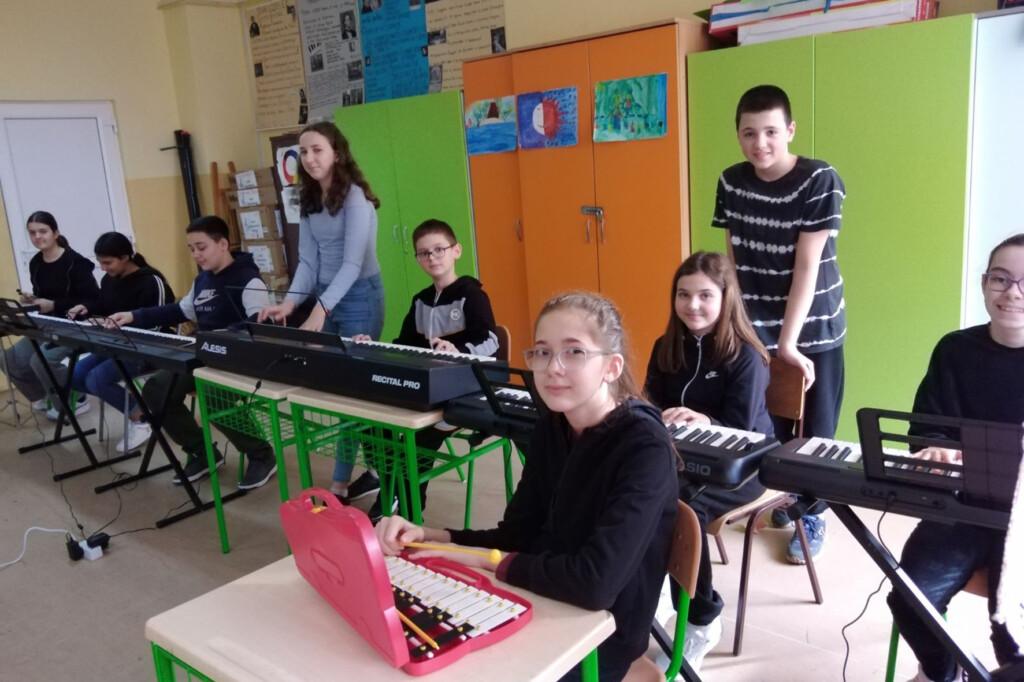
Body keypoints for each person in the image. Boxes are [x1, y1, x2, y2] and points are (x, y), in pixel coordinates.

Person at [376, 291, 678, 682]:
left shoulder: (644, 446)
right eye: (542, 352)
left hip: (600, 633)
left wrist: (489, 561)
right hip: (539, 597)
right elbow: (515, 535)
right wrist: (431, 535)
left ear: (611, 367)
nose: (553, 367)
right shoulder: (554, 424)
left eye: (574, 352)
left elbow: (595, 584)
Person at [712, 84, 847, 564]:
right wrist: (733, 321)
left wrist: (788, 344)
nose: (760, 143)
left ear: (790, 130)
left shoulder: (820, 179)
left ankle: (813, 512)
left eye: (771, 131)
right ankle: (784, 497)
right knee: (770, 421)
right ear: (738, 135)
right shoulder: (731, 181)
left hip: (814, 327)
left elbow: (807, 266)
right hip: (755, 324)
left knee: (816, 429)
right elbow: (732, 257)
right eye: (749, 133)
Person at [887, 233, 1024, 682]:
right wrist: (934, 446)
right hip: (960, 509)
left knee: (1011, 630)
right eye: (1001, 279)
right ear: (984, 283)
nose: (1012, 293)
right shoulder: (955, 350)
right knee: (909, 597)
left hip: (1022, 519)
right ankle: (945, 672)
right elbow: (926, 427)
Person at [644, 251, 772, 672]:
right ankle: (656, 587)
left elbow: (741, 431)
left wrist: (705, 420)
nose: (692, 305)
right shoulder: (666, 347)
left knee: (682, 509)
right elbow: (650, 404)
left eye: (704, 295)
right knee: (631, 488)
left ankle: (701, 619)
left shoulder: (745, 356)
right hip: (681, 459)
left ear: (725, 298)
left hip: (745, 464)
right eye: (683, 295)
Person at [258, 121, 384, 501]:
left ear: (337, 154)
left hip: (360, 297)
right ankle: (373, 469)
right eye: (304, 151)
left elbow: (352, 264)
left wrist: (320, 309)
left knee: (350, 392)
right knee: (337, 388)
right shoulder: (308, 199)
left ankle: (340, 485)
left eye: (317, 150)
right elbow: (308, 262)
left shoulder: (355, 198)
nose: (310, 158)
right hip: (327, 296)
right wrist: (291, 302)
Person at [107, 216, 277, 490]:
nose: (196, 254)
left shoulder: (248, 280)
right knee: (156, 390)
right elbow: (179, 310)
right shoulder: (203, 280)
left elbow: (258, 326)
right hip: (205, 356)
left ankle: (261, 454)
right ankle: (202, 452)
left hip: (240, 361)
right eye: (191, 249)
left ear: (223, 244)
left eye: (201, 247)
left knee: (214, 398)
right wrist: (133, 316)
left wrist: (215, 336)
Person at [359, 219, 498, 521]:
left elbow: (490, 340)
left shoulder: (472, 295)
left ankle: (410, 509)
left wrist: (458, 350)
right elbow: (404, 344)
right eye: (424, 253)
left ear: (456, 251)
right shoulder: (420, 300)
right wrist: (373, 346)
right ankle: (390, 489)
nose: (432, 257)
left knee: (418, 440)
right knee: (374, 423)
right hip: (428, 387)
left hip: (464, 390)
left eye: (439, 249)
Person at [65, 232, 174, 453]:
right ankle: (135, 403)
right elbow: (104, 307)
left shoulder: (151, 281)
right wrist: (88, 309)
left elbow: (160, 324)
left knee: (96, 379)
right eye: (100, 262)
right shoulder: (109, 280)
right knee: (75, 374)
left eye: (108, 262)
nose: (103, 268)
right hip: (115, 344)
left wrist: (118, 326)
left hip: (148, 349)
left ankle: (141, 418)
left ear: (125, 257)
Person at [2, 210, 99, 419]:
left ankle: (76, 398)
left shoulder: (76, 263)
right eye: (32, 233)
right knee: (8, 359)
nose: (37, 237)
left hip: (77, 327)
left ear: (55, 233)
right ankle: (46, 396)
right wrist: (33, 299)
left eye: (43, 231)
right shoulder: (36, 262)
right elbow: (45, 296)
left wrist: (54, 304)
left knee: (40, 360)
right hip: (46, 324)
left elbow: (93, 301)